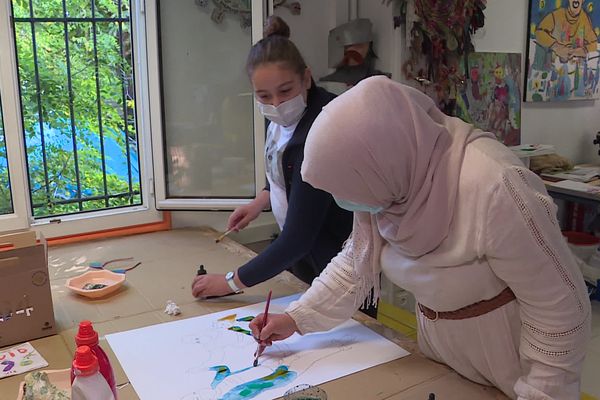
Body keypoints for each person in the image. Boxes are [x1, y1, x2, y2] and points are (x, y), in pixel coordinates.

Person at [250, 76, 591, 399]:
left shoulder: (496, 186)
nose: (347, 203)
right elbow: (357, 263)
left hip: (508, 355)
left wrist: (540, 392)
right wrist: (297, 317)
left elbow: (558, 309)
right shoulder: (391, 177)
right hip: (438, 345)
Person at [191, 16, 352, 298]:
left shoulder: (322, 132)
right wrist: (260, 201)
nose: (276, 104)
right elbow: (287, 170)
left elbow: (298, 240)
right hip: (304, 256)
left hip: (337, 265)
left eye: (285, 91)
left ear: (307, 77)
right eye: (263, 96)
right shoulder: (279, 118)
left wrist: (230, 282)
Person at [535, 0, 598, 64]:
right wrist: (556, 47)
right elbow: (539, 32)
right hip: (553, 64)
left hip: (576, 65)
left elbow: (594, 43)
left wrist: (583, 50)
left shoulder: (584, 18)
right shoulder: (557, 14)